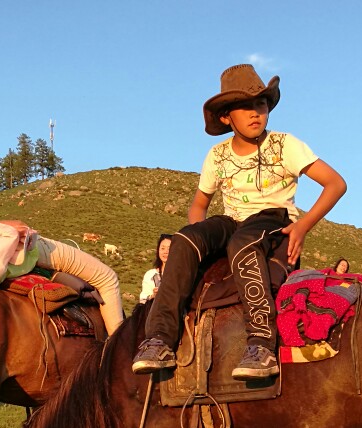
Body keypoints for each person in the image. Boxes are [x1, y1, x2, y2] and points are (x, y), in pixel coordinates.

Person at [131, 63, 347, 379]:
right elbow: (199, 203)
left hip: (272, 218)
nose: (255, 112)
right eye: (245, 106)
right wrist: (199, 239)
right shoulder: (217, 155)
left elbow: (335, 183)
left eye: (260, 104)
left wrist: (302, 225)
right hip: (232, 219)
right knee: (184, 239)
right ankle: (160, 339)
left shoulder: (285, 144)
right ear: (226, 117)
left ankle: (261, 344)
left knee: (242, 243)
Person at [139, 234, 172, 303]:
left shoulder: (181, 275)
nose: (166, 252)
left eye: (169, 248)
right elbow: (142, 300)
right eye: (163, 248)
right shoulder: (150, 275)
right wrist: (153, 296)